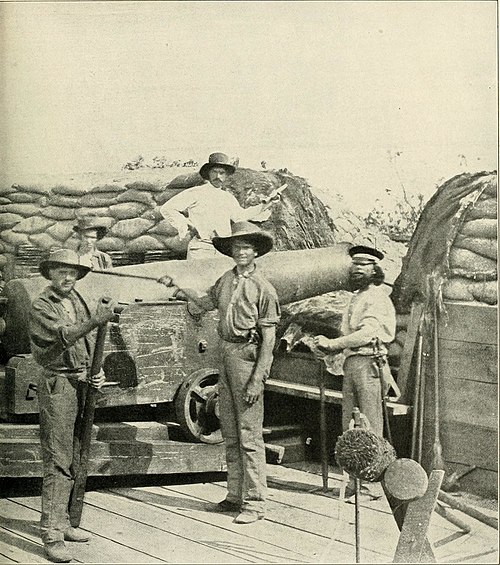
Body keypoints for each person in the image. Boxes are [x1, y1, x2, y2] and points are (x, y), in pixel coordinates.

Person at [160, 221, 280, 523]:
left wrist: (257, 379)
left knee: (249, 433)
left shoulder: (263, 288)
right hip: (224, 355)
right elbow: (202, 303)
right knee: (229, 427)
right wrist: (176, 288)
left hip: (246, 359)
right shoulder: (225, 280)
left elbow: (269, 341)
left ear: (255, 252)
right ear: (231, 251)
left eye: (246, 247)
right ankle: (234, 495)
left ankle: (255, 502)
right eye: (236, 247)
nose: (241, 251)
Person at [30, 249, 116, 562]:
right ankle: (51, 532)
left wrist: (97, 370)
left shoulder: (76, 299)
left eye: (72, 272)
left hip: (80, 381)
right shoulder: (42, 304)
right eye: (61, 272)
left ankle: (64, 521)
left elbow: (89, 340)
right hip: (57, 386)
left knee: (77, 450)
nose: (68, 277)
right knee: (58, 457)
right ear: (50, 274)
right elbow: (66, 336)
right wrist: (97, 319)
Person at [313, 245, 396, 497]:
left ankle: (371, 485)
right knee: (350, 424)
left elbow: (368, 332)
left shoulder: (377, 297)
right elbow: (348, 335)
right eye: (355, 265)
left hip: (369, 363)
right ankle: (353, 484)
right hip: (353, 363)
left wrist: (334, 344)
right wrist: (327, 350)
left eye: (364, 265)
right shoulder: (357, 297)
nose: (358, 270)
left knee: (369, 425)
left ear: (375, 269)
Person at [159, 152, 279, 260]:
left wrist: (267, 203)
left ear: (226, 176)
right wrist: (188, 225)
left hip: (223, 250)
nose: (218, 176)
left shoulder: (227, 197)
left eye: (222, 173)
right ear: (208, 174)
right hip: (201, 248)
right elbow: (167, 208)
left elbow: (240, 216)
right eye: (214, 172)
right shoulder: (196, 192)